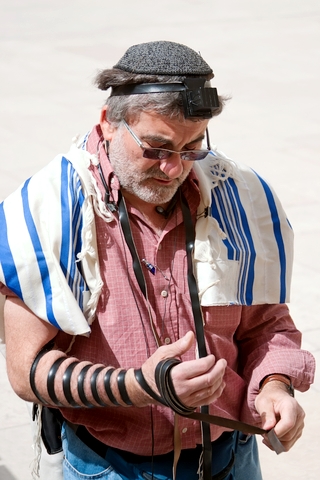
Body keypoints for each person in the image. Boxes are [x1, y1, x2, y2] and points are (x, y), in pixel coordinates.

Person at [0, 40, 315, 480]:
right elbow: (26, 371)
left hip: (231, 457)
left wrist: (274, 388)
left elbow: (266, 324)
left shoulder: (240, 197)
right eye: (156, 148)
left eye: (192, 148)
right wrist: (141, 387)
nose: (174, 169)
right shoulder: (45, 212)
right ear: (109, 123)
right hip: (107, 468)